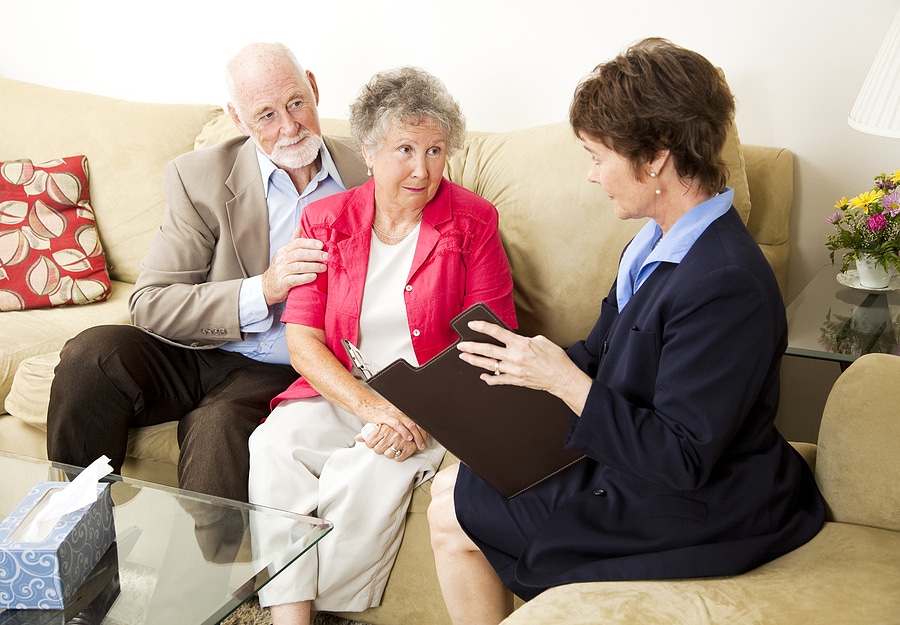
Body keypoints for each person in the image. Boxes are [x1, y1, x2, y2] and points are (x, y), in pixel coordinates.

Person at [427, 38, 826, 625]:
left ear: (657, 155)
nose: (592, 176)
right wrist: (512, 370)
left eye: (597, 155)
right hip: (634, 462)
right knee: (453, 486)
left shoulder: (726, 283)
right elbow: (596, 353)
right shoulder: (653, 243)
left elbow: (684, 456)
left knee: (450, 511)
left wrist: (565, 384)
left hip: (698, 500)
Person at [45, 42, 369, 507]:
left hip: (286, 365)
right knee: (90, 356)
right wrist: (265, 288)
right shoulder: (198, 177)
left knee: (215, 429)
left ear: (314, 88)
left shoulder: (371, 174)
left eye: (296, 102)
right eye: (266, 115)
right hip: (197, 348)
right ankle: (76, 535)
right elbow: (150, 302)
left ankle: (217, 578)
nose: (289, 126)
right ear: (238, 120)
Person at [247, 66, 516, 625]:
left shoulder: (472, 223)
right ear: (368, 151)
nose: (423, 170)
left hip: (433, 403)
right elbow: (303, 339)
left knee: (364, 472)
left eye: (436, 150)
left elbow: (495, 341)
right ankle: (288, 618)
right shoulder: (325, 219)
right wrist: (372, 406)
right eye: (405, 150)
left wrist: (415, 413)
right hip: (348, 390)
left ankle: (332, 613)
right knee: (272, 445)